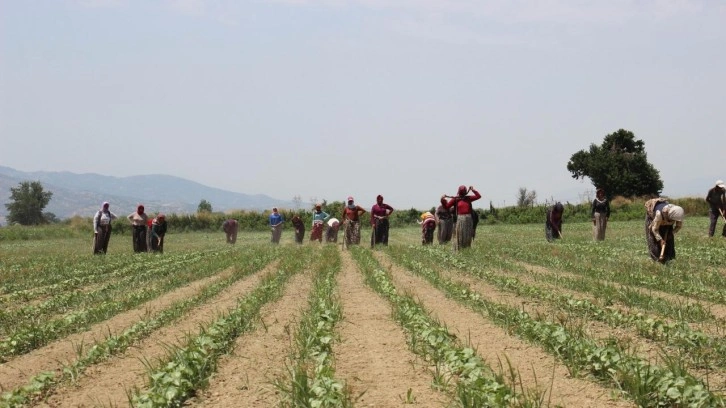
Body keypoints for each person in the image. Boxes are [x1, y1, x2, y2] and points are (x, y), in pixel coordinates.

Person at [440, 185, 481, 250]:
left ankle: (466, 248)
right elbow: (447, 206)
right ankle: (460, 248)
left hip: (468, 219)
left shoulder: (467, 198)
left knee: (466, 234)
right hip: (461, 220)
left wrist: (473, 190)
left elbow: (478, 196)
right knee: (460, 234)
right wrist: (442, 200)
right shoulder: (456, 199)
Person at [645, 199, 684, 263]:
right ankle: (656, 259)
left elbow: (678, 226)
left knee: (670, 240)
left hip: (666, 219)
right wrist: (660, 239)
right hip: (654, 218)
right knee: (654, 239)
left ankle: (669, 258)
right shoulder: (659, 214)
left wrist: (671, 233)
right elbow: (654, 229)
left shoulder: (677, 213)